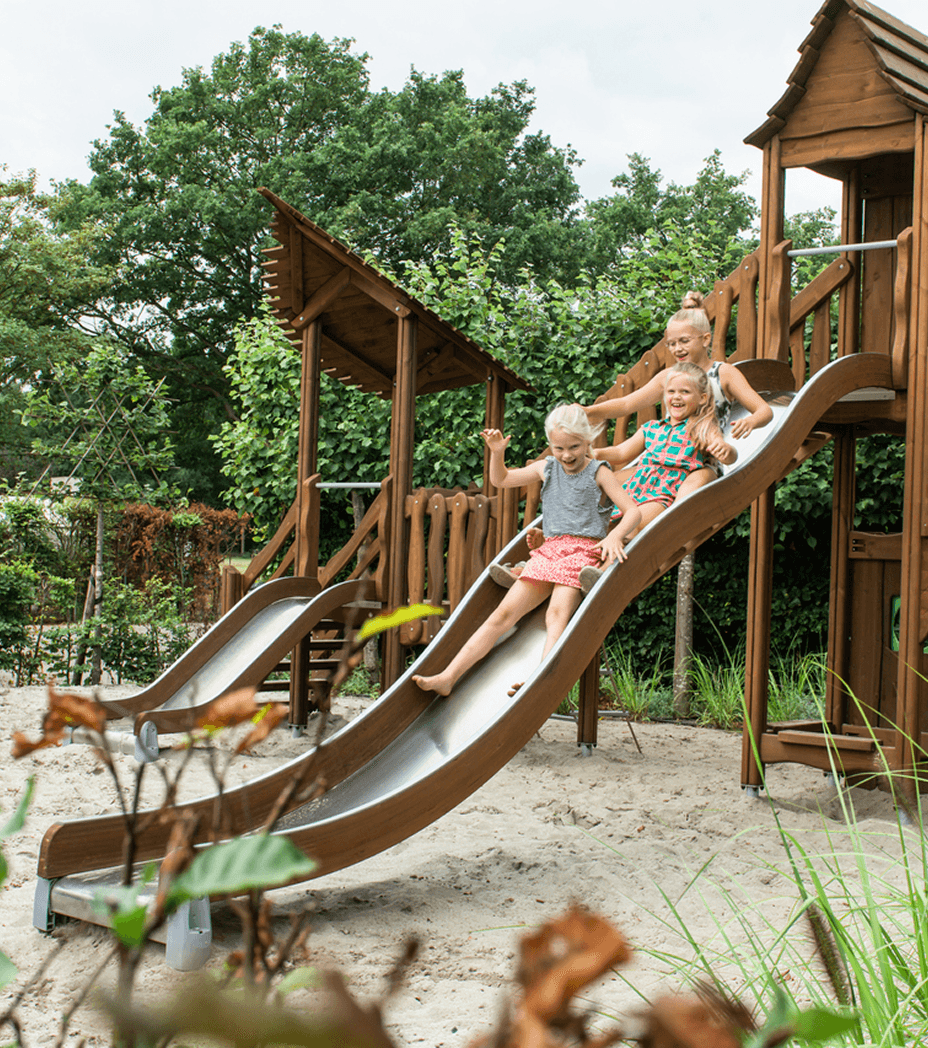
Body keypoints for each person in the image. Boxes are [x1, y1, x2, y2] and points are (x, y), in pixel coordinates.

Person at [412, 404, 640, 698]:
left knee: (556, 615)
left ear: (588, 442)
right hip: (550, 551)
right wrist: (497, 452)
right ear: (550, 444)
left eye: (575, 446)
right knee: (501, 615)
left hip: (582, 553)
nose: (567, 455)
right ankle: (448, 676)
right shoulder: (546, 468)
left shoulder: (599, 471)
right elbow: (501, 480)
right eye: (559, 448)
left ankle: (540, 676)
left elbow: (632, 511)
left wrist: (616, 536)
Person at [583, 289, 773, 497]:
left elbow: (764, 410)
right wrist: (589, 411)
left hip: (699, 462)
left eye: (684, 341)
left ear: (705, 339)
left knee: (685, 495)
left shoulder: (723, 373)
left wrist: (751, 421)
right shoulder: (669, 376)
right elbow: (627, 404)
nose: (677, 349)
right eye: (672, 344)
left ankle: (670, 522)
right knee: (601, 485)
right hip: (663, 460)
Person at [578, 362, 737, 592]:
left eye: (684, 392)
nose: (676, 397)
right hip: (635, 489)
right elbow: (622, 452)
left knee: (632, 527)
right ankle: (560, 567)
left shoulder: (702, 426)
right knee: (603, 529)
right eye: (671, 391)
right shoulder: (651, 428)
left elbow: (723, 450)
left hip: (662, 495)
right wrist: (595, 452)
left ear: (702, 398)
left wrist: (728, 452)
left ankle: (601, 575)